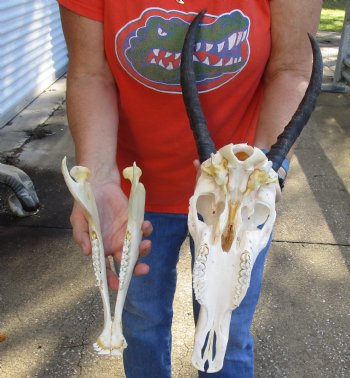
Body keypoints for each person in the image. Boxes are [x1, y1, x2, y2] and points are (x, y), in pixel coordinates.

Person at [58, 1, 322, 377]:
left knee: (224, 332)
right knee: (141, 321)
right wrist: (98, 178)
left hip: (237, 195)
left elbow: (293, 66)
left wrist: (263, 172)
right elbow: (89, 74)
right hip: (134, 193)